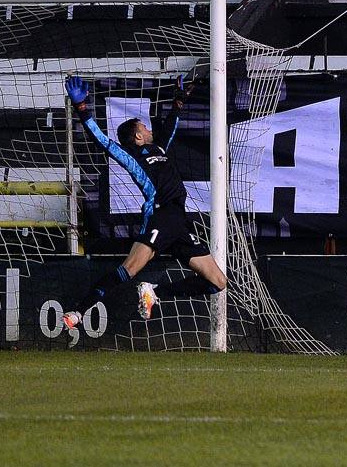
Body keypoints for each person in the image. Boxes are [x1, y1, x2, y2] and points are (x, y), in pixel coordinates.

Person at [61, 75, 226, 330]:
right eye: (145, 127)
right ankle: (79, 311)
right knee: (128, 270)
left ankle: (154, 291)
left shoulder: (159, 149)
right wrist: (82, 108)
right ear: (137, 136)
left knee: (217, 282)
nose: (149, 129)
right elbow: (102, 141)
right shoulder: (132, 156)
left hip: (179, 221)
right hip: (160, 216)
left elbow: (171, 127)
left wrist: (179, 102)